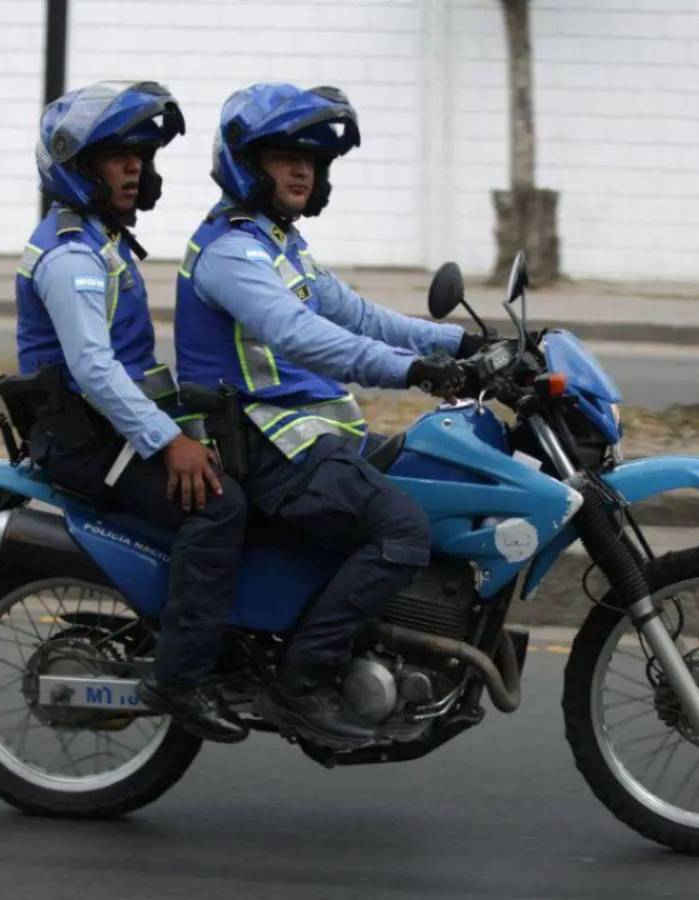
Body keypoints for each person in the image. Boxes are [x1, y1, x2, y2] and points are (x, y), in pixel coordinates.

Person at [174, 83, 486, 750]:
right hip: (262, 443)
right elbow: (302, 335)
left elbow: (359, 315)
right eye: (285, 157)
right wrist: (413, 372)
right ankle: (303, 680)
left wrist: (466, 345)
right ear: (246, 164)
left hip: (303, 437)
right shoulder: (230, 253)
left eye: (311, 161)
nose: (301, 172)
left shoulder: (279, 245)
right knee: (402, 528)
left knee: (432, 475)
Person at [15, 80, 250, 743]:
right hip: (85, 440)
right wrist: (169, 443)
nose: (135, 169)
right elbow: (93, 368)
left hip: (109, 428)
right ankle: (182, 676)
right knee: (219, 506)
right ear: (78, 166)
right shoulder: (71, 256)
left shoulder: (101, 241)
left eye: (140, 157)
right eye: (118, 157)